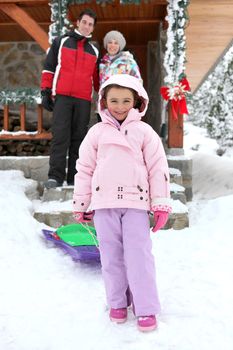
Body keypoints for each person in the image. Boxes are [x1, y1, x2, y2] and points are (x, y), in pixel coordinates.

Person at [72, 74, 172, 332]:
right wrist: (82, 203)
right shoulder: (96, 133)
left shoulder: (144, 132)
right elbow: (84, 169)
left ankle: (146, 306)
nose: (119, 106)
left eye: (126, 100)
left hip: (136, 204)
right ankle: (117, 302)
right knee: (111, 256)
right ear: (104, 102)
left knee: (139, 256)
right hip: (104, 204)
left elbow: (157, 168)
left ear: (137, 102)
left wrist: (160, 203)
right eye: (114, 100)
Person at [40, 8, 99, 188]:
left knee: (79, 139)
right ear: (78, 23)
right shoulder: (61, 42)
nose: (87, 27)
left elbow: (97, 80)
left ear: (93, 28)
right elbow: (49, 67)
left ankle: (75, 178)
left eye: (90, 25)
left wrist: (104, 102)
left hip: (83, 100)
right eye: (84, 22)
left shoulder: (94, 51)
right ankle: (55, 177)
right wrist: (45, 91)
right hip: (63, 97)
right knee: (60, 136)